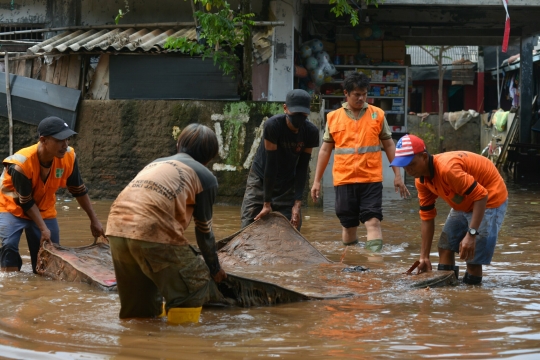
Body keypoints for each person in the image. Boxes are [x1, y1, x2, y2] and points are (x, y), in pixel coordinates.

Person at [106, 123, 227, 321]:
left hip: (115, 228)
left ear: (179, 145)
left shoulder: (156, 163)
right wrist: (214, 269)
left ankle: (134, 345)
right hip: (151, 230)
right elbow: (204, 232)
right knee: (194, 285)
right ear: (210, 156)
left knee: (140, 306)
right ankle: (181, 345)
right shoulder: (205, 177)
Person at [390, 134, 508, 285]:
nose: (408, 170)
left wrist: (471, 234)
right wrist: (424, 257)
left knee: (471, 257)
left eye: (411, 164)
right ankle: (448, 292)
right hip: (464, 200)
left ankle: (473, 298)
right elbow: (427, 216)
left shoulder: (448, 170)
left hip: (489, 198)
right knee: (445, 246)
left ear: (424, 157)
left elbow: (481, 195)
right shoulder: (421, 180)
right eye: (404, 166)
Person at [310, 72, 409, 252]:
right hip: (344, 179)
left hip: (370, 178)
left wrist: (397, 174)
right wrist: (316, 181)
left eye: (364, 94)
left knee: (373, 221)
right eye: (357, 94)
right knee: (348, 225)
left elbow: (389, 144)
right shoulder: (333, 117)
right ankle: (351, 264)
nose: (361, 98)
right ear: (346, 94)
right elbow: (325, 150)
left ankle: (374, 265)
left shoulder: (377, 115)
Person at [0, 116, 105, 273]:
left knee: (50, 256)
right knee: (9, 246)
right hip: (12, 208)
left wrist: (94, 220)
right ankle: (12, 284)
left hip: (44, 208)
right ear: (43, 140)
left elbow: (78, 190)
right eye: (59, 140)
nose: (65, 145)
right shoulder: (21, 165)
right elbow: (26, 201)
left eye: (68, 139)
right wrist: (43, 228)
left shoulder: (68, 157)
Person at [240, 89, 319, 230]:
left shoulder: (311, 132)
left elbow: (302, 167)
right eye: (295, 113)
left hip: (288, 181)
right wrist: (266, 203)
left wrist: (297, 203)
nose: (299, 118)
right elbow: (271, 165)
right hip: (261, 177)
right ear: (285, 108)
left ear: (309, 111)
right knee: (249, 222)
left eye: (303, 114)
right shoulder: (273, 126)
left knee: (292, 227)